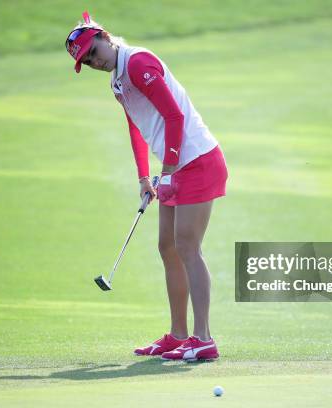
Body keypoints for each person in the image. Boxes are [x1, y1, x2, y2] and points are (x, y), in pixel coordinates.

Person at [65, 12, 228, 362]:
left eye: (93, 52)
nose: (94, 61)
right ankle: (178, 335)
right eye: (87, 61)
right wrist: (145, 176)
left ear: (105, 38)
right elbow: (136, 128)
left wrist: (167, 171)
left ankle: (204, 339)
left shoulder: (138, 62)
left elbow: (175, 116)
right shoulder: (117, 82)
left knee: (187, 246)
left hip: (198, 161)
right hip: (176, 166)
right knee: (167, 246)